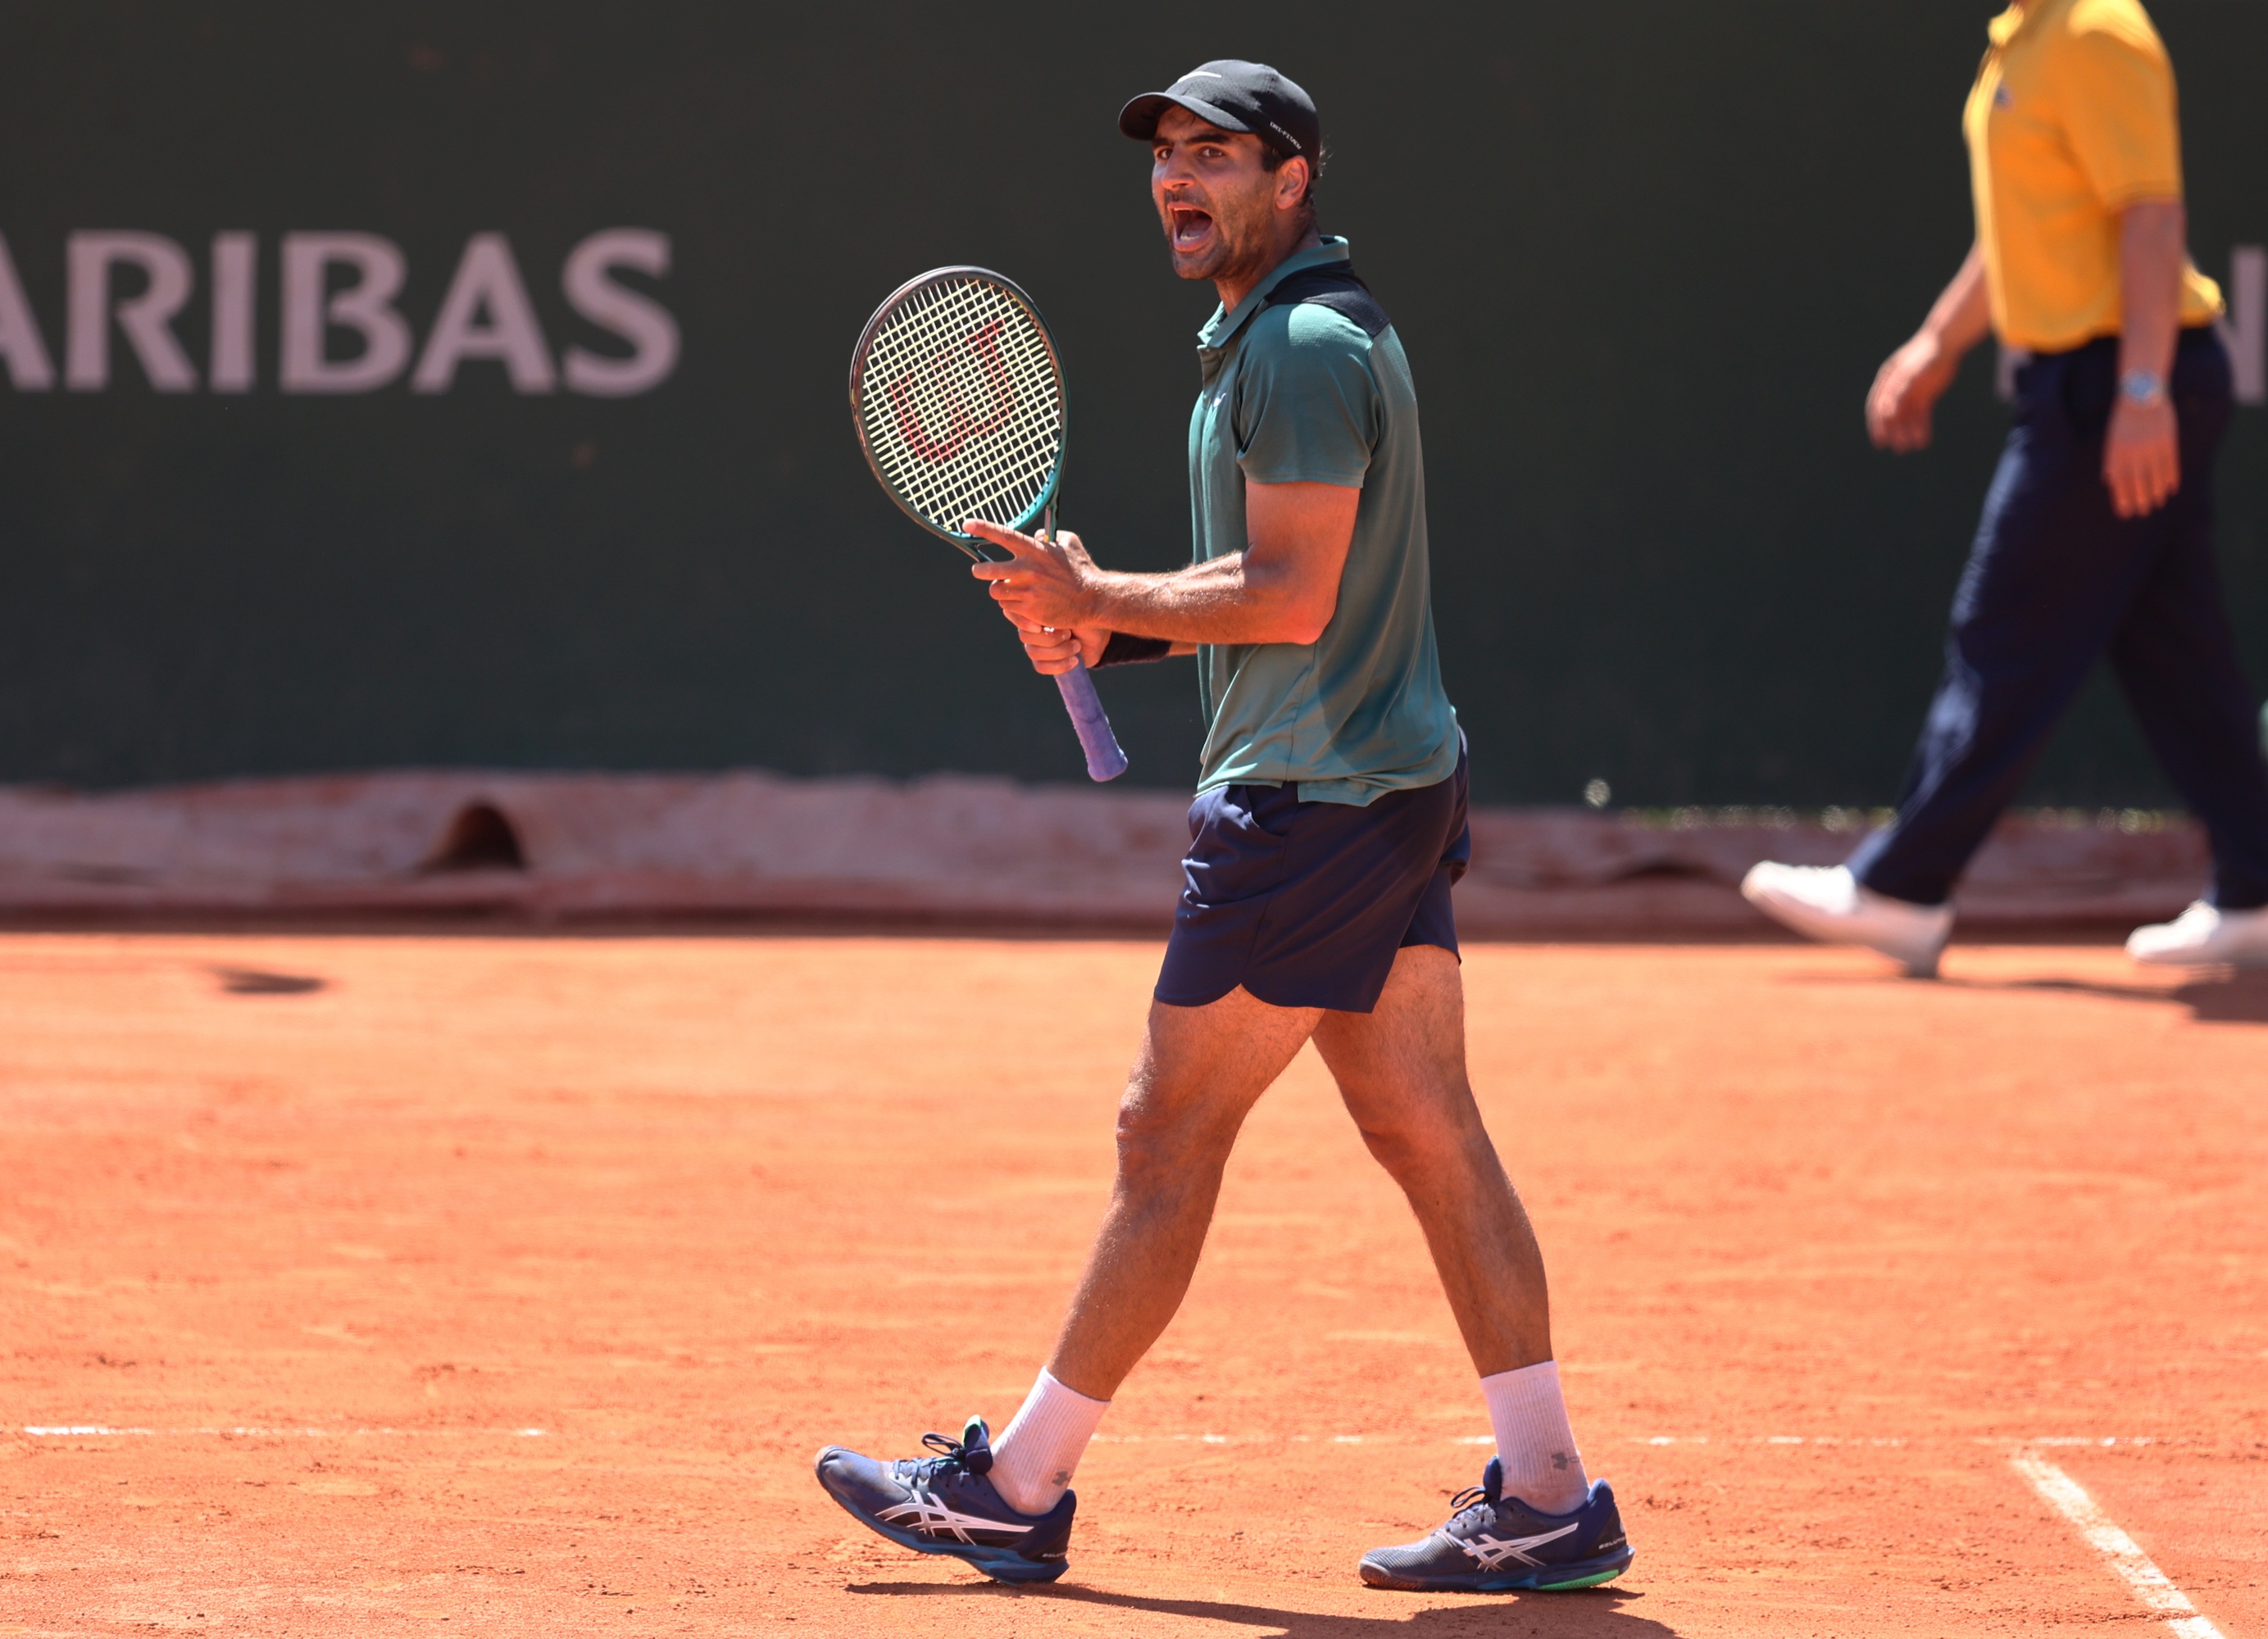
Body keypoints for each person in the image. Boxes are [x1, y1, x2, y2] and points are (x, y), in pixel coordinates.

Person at [812, 61, 1633, 1593]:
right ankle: (1548, 1494)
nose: (1179, 179)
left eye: (1217, 155)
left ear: (1294, 178)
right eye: (1166, 156)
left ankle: (1015, 1489)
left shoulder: (1304, 348)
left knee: (1166, 1131)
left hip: (1311, 810)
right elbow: (1268, 604)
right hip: (1384, 782)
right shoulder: (1286, 336)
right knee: (1426, 1128)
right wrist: (1103, 624)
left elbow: (1292, 594)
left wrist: (1100, 597)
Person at [1743, 0, 2268, 975]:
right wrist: (1940, 343)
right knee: (2178, 654)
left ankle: (1903, 886)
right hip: (2104, 379)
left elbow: (2151, 216)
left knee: (2005, 631)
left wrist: (2143, 389)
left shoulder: (2099, 31)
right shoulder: (2021, 37)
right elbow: (2023, 230)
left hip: (2121, 381)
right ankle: (2259, 888)